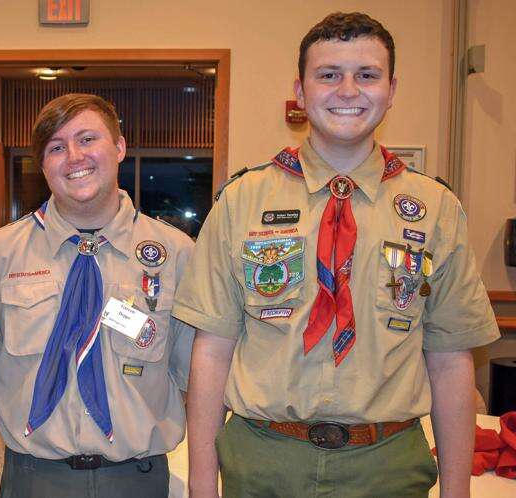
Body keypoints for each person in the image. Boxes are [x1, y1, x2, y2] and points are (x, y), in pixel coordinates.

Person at [173, 12, 500, 498]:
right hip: (263, 460)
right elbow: (212, 351)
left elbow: (451, 359)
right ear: (301, 92)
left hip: (386, 463)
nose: (348, 90)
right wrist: (202, 486)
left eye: (367, 75)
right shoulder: (242, 201)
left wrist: (458, 492)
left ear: (391, 89)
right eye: (328, 75)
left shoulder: (435, 210)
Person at [0, 93, 194, 498]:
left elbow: (194, 373)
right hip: (34, 478)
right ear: (43, 164)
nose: (74, 156)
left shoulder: (176, 254)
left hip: (137, 478)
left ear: (119, 147)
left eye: (87, 139)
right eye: (56, 147)